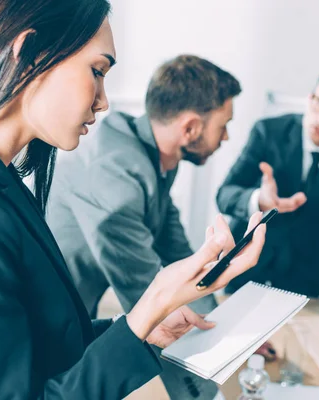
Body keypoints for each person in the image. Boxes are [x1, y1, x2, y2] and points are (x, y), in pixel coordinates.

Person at [0, 1, 266, 399]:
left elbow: (42, 343)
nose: (103, 101)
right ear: (29, 55)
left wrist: (141, 330)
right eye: (97, 71)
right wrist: (153, 304)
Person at [46, 54, 243, 399]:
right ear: (191, 128)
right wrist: (201, 388)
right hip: (46, 330)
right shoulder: (115, 173)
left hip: (78, 317)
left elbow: (180, 255)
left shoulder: (155, 158)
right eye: (223, 125)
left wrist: (229, 325)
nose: (225, 137)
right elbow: (148, 296)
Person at [216, 66, 319, 310]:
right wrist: (258, 200)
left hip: (306, 260)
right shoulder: (267, 131)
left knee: (298, 336)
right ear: (309, 98)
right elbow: (225, 193)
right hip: (250, 254)